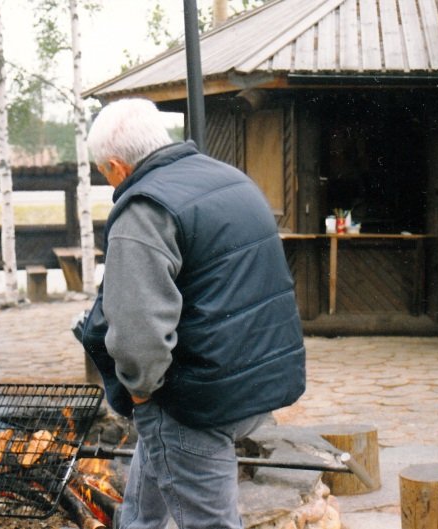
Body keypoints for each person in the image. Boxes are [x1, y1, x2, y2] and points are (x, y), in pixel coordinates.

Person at [77, 98, 306, 529]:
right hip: (251, 382)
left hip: (192, 402)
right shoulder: (230, 179)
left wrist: (141, 392)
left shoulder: (143, 210)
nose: (108, 183)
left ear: (116, 166)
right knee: (142, 515)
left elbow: (136, 330)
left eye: (103, 173)